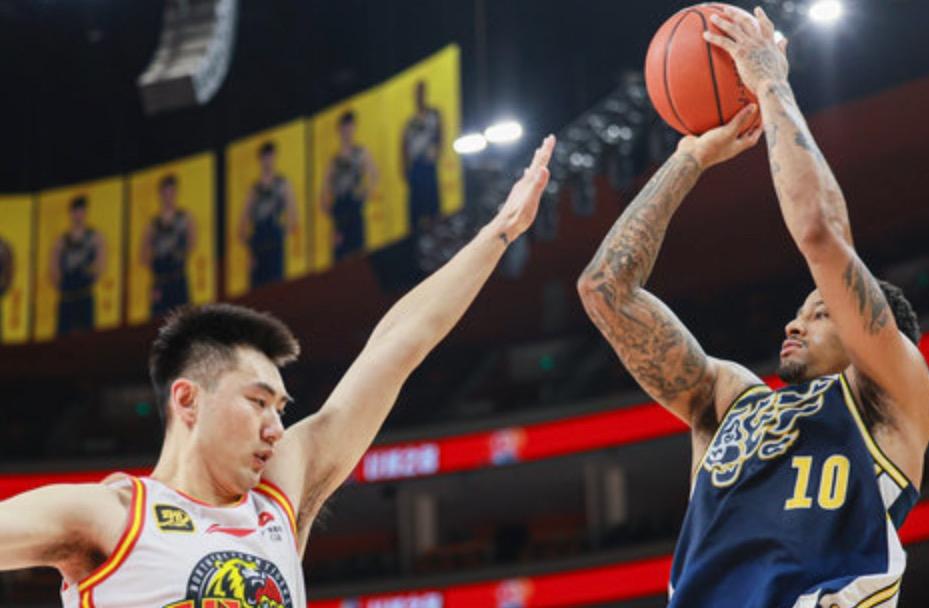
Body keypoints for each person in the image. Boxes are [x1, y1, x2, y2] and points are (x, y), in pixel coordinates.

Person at [0, 136, 555, 608]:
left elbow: (395, 348)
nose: (275, 427)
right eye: (257, 402)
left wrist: (499, 233)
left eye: (280, 409)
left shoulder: (279, 496)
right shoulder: (109, 516)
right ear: (188, 400)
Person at [577, 7, 929, 607]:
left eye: (822, 312)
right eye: (803, 310)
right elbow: (604, 289)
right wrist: (689, 159)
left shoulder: (888, 399)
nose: (795, 321)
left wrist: (770, 84)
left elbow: (821, 233)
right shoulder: (730, 403)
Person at [238, 141, 300, 288]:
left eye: (271, 157)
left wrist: (282, 235)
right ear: (260, 160)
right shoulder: (254, 190)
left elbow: (294, 216)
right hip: (258, 244)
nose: (268, 161)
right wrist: (249, 250)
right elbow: (242, 223)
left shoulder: (283, 184)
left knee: (277, 287)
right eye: (265, 158)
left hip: (275, 242)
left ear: (275, 158)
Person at [321, 110, 379, 262]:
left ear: (354, 128)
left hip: (354, 207)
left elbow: (374, 174)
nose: (347, 131)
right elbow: (325, 186)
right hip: (340, 210)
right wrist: (327, 205)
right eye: (345, 127)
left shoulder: (361, 152)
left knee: (358, 251)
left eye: (350, 127)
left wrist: (366, 192)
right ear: (339, 129)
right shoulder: (334, 160)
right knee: (339, 254)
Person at [140, 174, 196, 317]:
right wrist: (156, 273)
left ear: (176, 193)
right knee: (159, 322)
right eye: (166, 193)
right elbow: (143, 255)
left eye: (172, 192)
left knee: (184, 320)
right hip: (160, 282)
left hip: (179, 278)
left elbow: (192, 244)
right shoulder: (152, 224)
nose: (169, 197)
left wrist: (179, 254)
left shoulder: (185, 217)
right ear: (160, 194)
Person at [50, 195, 106, 336]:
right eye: (75, 211)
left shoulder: (94, 237)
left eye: (81, 211)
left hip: (85, 295)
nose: (78, 215)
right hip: (67, 297)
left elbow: (101, 263)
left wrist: (92, 275)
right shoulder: (61, 241)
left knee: (87, 337)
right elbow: (53, 267)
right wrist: (60, 284)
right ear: (71, 213)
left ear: (86, 212)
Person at [402, 80, 444, 232]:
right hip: (415, 168)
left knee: (433, 207)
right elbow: (404, 146)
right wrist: (405, 168)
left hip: (429, 166)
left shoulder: (434, 114)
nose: (419, 96)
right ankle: (417, 238)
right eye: (417, 93)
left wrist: (437, 151)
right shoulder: (410, 123)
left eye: (422, 92)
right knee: (415, 212)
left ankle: (435, 234)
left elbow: (440, 134)